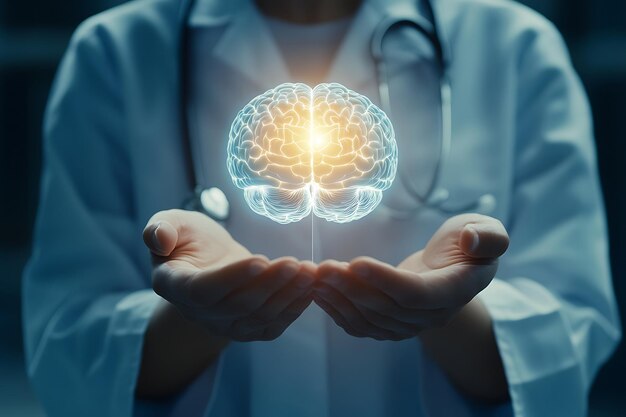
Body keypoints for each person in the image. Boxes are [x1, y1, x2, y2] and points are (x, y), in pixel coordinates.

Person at [22, 0, 621, 416]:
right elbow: (68, 346)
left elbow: (569, 337)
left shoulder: (514, 47)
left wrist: (448, 313)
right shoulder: (114, 51)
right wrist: (196, 318)